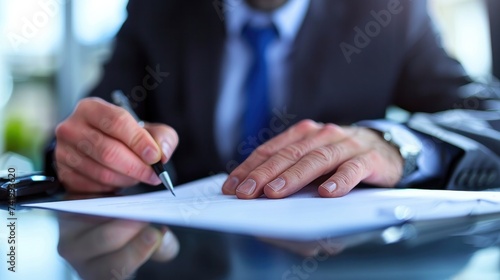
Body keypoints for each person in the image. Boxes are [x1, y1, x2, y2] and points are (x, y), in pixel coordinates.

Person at [47, 0, 494, 198]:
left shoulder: (389, 11)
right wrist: (82, 157)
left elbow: (488, 115)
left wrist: (398, 145)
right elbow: (86, 131)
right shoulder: (158, 10)